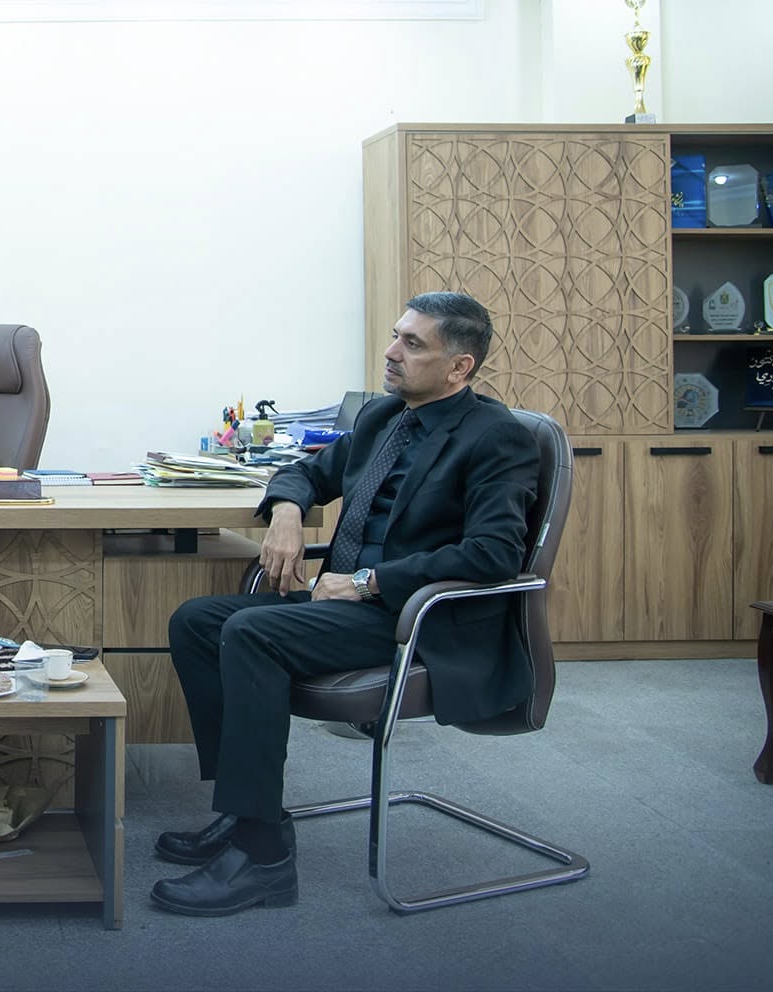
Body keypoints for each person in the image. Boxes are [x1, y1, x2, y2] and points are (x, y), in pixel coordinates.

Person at [156, 291, 539, 916]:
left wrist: (368, 581)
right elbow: (305, 473)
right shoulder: (385, 418)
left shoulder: (496, 438)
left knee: (251, 631)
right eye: (396, 336)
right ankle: (246, 811)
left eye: (412, 344)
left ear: (459, 367)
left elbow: (493, 553)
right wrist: (286, 512)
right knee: (196, 620)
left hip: (416, 620)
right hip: (348, 607)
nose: (391, 352)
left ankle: (263, 858)